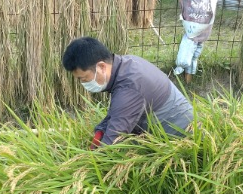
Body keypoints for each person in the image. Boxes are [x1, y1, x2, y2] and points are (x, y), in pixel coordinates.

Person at [62, 37, 194, 148]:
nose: (83, 83)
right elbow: (117, 112)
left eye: (84, 78)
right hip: (173, 121)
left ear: (101, 67)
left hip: (180, 139)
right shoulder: (126, 64)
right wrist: (100, 131)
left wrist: (92, 161)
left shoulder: (129, 87)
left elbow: (113, 141)